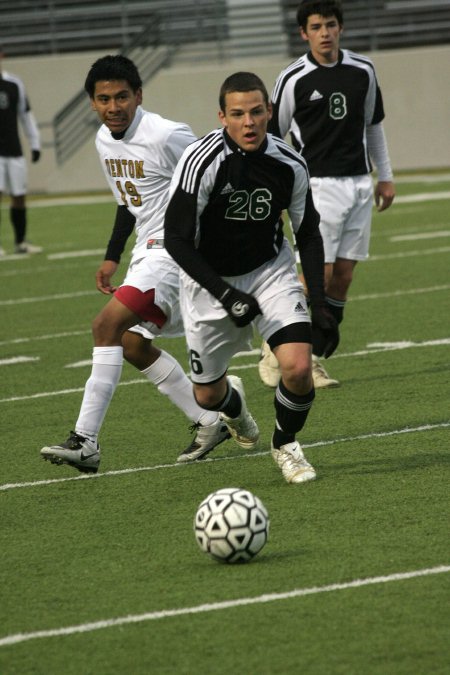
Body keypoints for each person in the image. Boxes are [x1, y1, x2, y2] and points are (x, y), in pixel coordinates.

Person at [40, 55, 230, 474]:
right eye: (104, 99)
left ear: (138, 95)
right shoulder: (104, 141)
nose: (114, 106)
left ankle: (85, 441)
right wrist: (112, 255)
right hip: (146, 249)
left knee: (104, 327)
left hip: (175, 251)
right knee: (130, 344)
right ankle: (209, 420)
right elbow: (130, 201)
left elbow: (216, 172)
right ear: (92, 103)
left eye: (122, 96)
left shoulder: (166, 134)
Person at [164, 71, 339, 484]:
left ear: (269, 112)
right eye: (238, 114)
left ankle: (286, 444)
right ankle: (236, 408)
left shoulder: (289, 162)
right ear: (222, 117)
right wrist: (225, 293)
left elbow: (308, 231)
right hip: (209, 281)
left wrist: (321, 305)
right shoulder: (200, 161)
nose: (249, 122)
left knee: (296, 368)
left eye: (257, 112)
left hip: (269, 271)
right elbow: (176, 240)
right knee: (207, 394)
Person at [258, 0, 395, 389]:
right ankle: (276, 347)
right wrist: (278, 192)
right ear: (304, 33)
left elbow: (374, 126)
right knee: (319, 274)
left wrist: (384, 176)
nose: (324, 33)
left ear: (341, 28)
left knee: (344, 277)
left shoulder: (363, 70)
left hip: (358, 184)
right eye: (316, 27)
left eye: (330, 25)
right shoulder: (292, 78)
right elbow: (273, 139)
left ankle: (313, 354)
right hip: (316, 185)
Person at [0, 46, 42, 256]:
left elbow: (25, 115)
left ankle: (20, 242)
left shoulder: (14, 84)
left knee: (19, 196)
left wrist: (35, 143)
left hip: (14, 150)